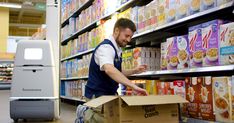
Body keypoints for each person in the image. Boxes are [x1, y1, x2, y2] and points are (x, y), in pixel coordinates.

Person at [84, 18, 148, 123]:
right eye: (126, 36)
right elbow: (110, 70)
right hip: (97, 95)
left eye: (130, 37)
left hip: (110, 94)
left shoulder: (117, 49)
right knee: (109, 120)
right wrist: (133, 86)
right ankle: (85, 115)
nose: (128, 40)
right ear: (117, 31)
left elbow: (117, 72)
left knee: (119, 118)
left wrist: (135, 71)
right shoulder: (105, 48)